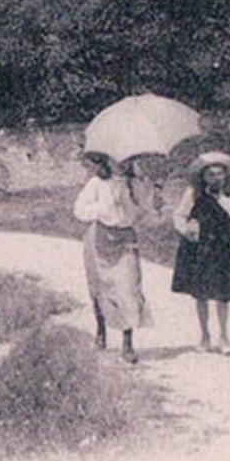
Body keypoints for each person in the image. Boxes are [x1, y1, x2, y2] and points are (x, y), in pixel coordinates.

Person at [73, 152, 153, 363]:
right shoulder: (97, 183)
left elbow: (145, 211)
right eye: (118, 159)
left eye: (127, 160)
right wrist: (102, 208)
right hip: (99, 238)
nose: (122, 163)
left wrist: (139, 198)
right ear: (107, 161)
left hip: (125, 238)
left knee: (128, 287)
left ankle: (128, 343)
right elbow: (79, 210)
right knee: (100, 287)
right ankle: (101, 330)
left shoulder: (134, 184)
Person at [171, 152, 230, 354]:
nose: (216, 178)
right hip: (201, 246)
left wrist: (221, 197)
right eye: (211, 174)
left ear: (226, 176)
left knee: (223, 293)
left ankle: (224, 336)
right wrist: (187, 227)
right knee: (201, 293)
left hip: (224, 245)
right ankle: (205, 335)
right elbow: (179, 215)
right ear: (203, 177)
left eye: (220, 174)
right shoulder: (193, 193)